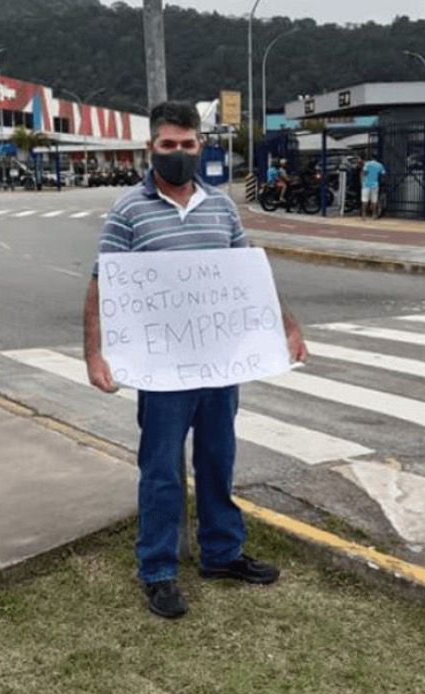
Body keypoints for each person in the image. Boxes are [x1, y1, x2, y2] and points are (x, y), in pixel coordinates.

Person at [83, 101, 308, 620]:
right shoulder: (128, 211)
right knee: (160, 468)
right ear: (151, 148)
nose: (179, 153)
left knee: (217, 459)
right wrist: (95, 354)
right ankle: (158, 569)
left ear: (200, 146)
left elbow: (249, 279)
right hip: (161, 371)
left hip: (219, 366)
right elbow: (102, 286)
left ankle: (222, 553)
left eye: (187, 145)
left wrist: (288, 325)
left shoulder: (222, 208)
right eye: (169, 145)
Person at [361, 154, 386, 219]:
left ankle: (363, 215)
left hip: (366, 184)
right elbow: (383, 174)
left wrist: (363, 181)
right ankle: (374, 215)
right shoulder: (380, 165)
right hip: (375, 184)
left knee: (365, 200)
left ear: (371, 158)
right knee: (374, 200)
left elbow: (364, 173)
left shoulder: (367, 164)